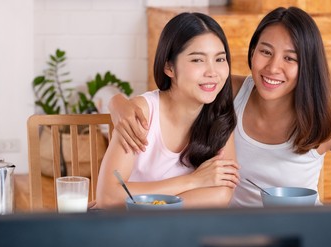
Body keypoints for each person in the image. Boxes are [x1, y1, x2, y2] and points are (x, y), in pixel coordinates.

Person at [108, 6, 331, 207]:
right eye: (265, 52)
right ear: (252, 52)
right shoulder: (229, 93)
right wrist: (117, 102)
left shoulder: (325, 121)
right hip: (232, 236)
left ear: (308, 65)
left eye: (290, 58)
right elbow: (176, 93)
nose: (273, 68)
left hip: (298, 236)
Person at [96, 12, 240, 209]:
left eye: (220, 59)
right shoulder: (142, 114)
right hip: (129, 230)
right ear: (169, 67)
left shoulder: (220, 117)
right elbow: (108, 196)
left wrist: (142, 202)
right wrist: (193, 181)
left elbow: (221, 194)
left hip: (178, 231)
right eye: (198, 60)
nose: (212, 72)